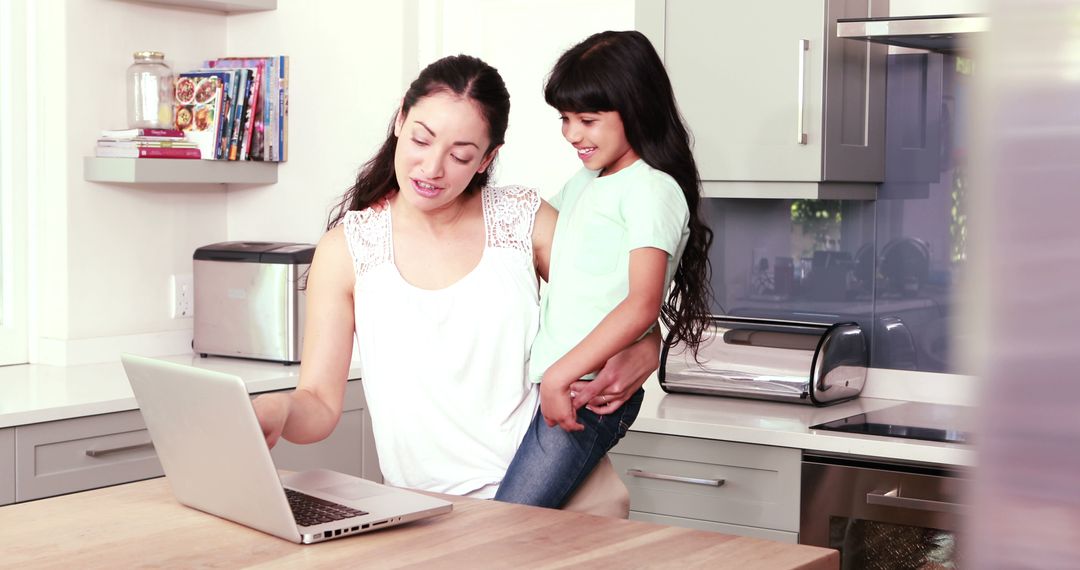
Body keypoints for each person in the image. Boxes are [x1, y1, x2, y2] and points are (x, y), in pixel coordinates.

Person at [252, 54, 658, 500]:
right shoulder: (348, 248)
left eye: (460, 155)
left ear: (487, 159)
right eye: (421, 140)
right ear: (400, 120)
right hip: (422, 510)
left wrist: (648, 344)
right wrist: (281, 408)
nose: (431, 169)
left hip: (555, 498)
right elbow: (320, 406)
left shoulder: (522, 220)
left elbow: (617, 298)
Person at [494, 30, 714, 508]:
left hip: (590, 393)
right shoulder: (587, 181)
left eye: (588, 120)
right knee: (523, 528)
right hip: (566, 381)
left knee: (509, 523)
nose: (573, 134)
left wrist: (558, 377)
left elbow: (642, 303)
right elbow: (525, 242)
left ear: (635, 107)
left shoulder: (651, 191)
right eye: (566, 119)